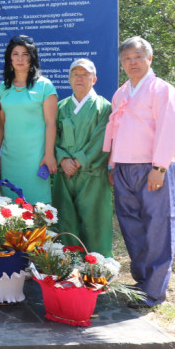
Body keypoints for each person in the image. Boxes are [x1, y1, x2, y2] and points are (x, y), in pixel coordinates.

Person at [103, 36, 175, 308]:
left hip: (152, 167)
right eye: (127, 58)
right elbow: (116, 131)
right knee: (132, 226)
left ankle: (154, 291)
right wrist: (113, 164)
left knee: (158, 226)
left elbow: (170, 129)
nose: (132, 62)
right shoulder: (121, 93)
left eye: (138, 56)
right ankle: (142, 282)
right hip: (123, 168)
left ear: (149, 58)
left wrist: (159, 167)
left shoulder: (162, 90)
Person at [51, 58, 113, 255]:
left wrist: (78, 161)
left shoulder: (104, 107)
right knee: (65, 220)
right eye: (75, 74)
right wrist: (62, 159)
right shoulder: (61, 107)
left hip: (92, 174)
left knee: (94, 222)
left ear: (94, 79)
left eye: (85, 74)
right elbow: (52, 137)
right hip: (64, 174)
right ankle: (67, 263)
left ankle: (98, 266)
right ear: (69, 79)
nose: (79, 78)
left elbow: (101, 139)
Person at [0, 35, 58, 203]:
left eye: (25, 54)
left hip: (36, 158)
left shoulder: (45, 86)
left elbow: (51, 123)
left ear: (32, 57)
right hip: (10, 158)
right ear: (9, 58)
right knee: (10, 208)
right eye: (15, 54)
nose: (20, 58)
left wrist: (49, 154)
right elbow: (1, 125)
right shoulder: (3, 88)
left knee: (37, 207)